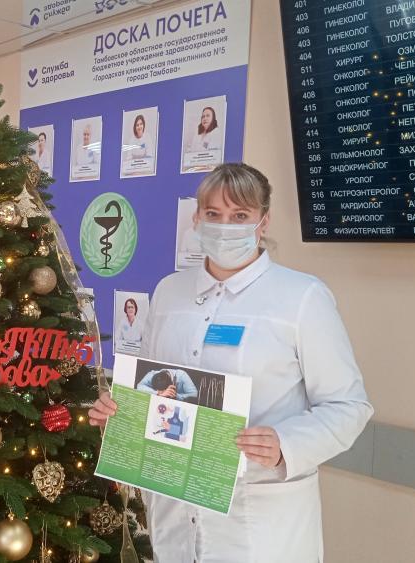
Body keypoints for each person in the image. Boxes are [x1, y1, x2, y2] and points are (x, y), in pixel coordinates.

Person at [88, 163, 373, 563]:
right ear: (197, 218)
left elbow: (349, 405)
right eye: (214, 213)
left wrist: (286, 445)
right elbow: (154, 389)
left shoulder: (302, 297)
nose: (225, 227)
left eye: (240, 215)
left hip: (259, 519)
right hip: (175, 507)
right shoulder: (169, 292)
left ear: (263, 221)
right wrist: (121, 415)